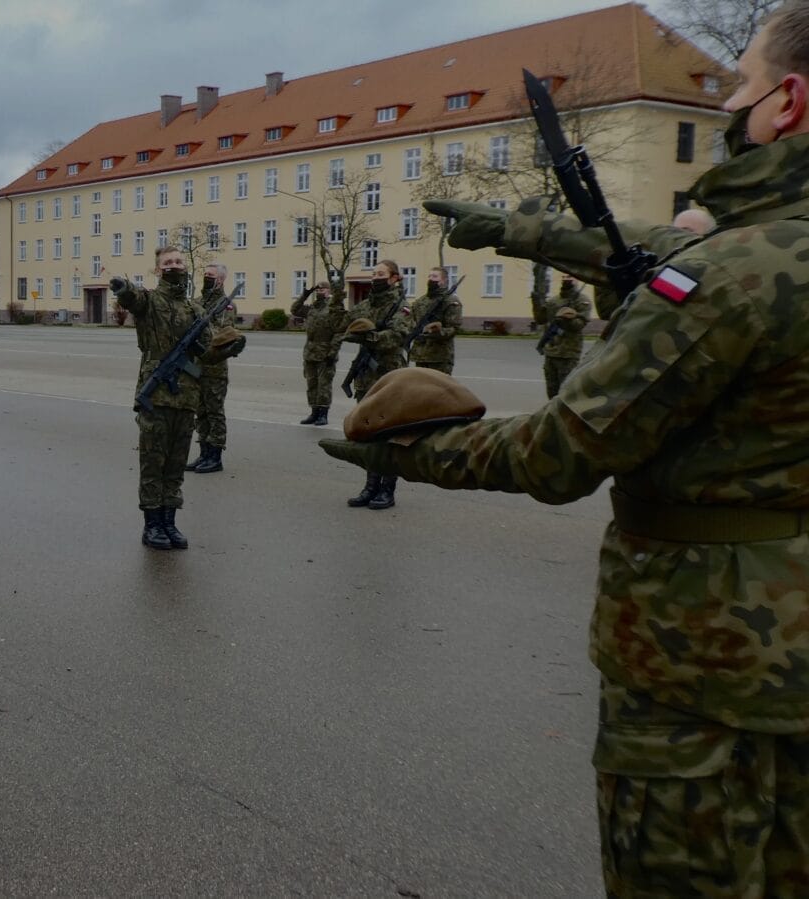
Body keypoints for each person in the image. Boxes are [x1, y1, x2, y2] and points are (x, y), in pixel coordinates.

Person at [332, 6, 809, 891]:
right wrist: (521, 229)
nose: (729, 106)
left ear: (789, 102)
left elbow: (560, 454)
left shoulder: (730, 279)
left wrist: (409, 448)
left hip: (706, 660)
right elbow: (659, 248)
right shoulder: (756, 256)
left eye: (741, 84)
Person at [111, 246, 205, 550]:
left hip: (187, 397)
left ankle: (169, 522)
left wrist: (229, 346)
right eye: (167, 262)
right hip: (156, 397)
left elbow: (210, 347)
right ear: (157, 269)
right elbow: (133, 299)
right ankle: (151, 525)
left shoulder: (195, 309)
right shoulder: (150, 301)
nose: (174, 265)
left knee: (176, 466)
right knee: (153, 464)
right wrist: (122, 288)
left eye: (178, 261)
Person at [339, 260, 412, 510]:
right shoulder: (366, 305)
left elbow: (397, 337)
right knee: (368, 434)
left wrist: (368, 337)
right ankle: (369, 487)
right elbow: (345, 322)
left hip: (389, 376)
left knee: (389, 435)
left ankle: (387, 490)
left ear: (394, 278)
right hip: (365, 378)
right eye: (374, 273)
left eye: (381, 274)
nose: (376, 277)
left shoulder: (401, 307)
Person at [188, 264, 238, 473]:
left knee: (215, 412)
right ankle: (204, 453)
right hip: (195, 366)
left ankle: (215, 456)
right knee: (201, 412)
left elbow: (223, 333)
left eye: (211, 275)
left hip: (215, 368)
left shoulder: (226, 305)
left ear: (221, 280)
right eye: (205, 274)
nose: (207, 278)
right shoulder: (197, 302)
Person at [291, 276, 348, 426]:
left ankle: (323, 414)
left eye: (322, 289)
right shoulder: (312, 308)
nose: (320, 291)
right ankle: (314, 412)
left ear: (329, 291)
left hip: (325, 352)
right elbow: (294, 309)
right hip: (310, 352)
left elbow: (339, 333)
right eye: (318, 289)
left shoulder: (333, 308)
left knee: (324, 385)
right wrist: (305, 294)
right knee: (312, 384)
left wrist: (333, 352)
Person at [538, 275, 592, 398]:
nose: (566, 279)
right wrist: (536, 303)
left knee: (566, 393)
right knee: (552, 391)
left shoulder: (582, 301)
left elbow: (578, 325)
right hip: (551, 351)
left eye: (570, 277)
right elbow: (540, 319)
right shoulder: (553, 301)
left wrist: (565, 319)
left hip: (568, 353)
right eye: (564, 277)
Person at [406, 266, 462, 375]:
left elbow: (454, 328)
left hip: (440, 356)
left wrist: (437, 331)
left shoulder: (451, 301)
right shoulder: (420, 302)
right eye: (430, 276)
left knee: (439, 390)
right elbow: (411, 322)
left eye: (435, 276)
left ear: (444, 280)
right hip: (421, 355)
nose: (431, 279)